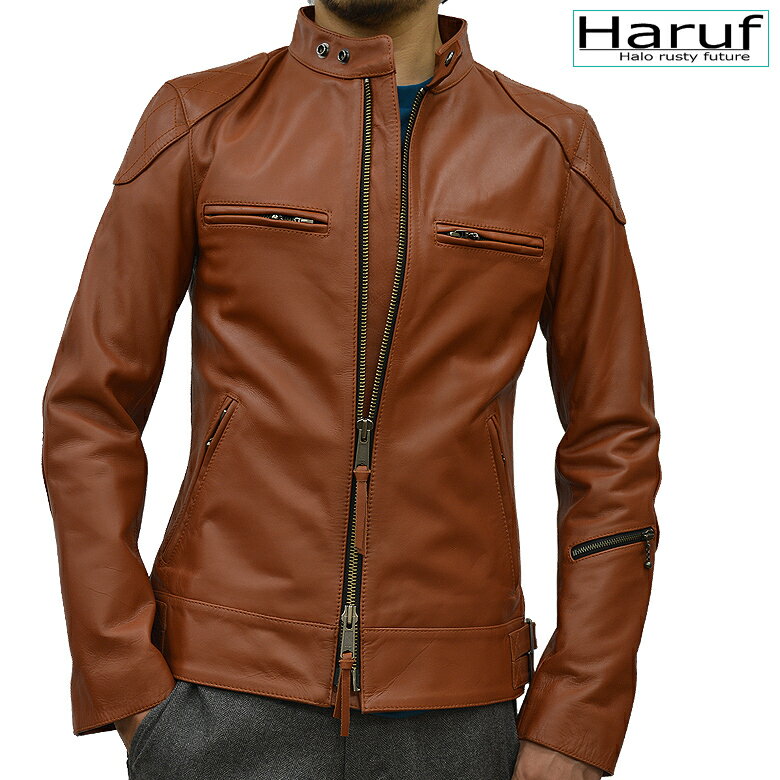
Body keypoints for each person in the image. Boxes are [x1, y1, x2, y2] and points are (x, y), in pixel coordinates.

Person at [41, 2, 661, 778]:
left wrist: (577, 717)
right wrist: (125, 682)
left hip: (456, 713)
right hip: (221, 697)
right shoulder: (199, 121)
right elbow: (89, 409)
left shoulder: (551, 147)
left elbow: (613, 440)